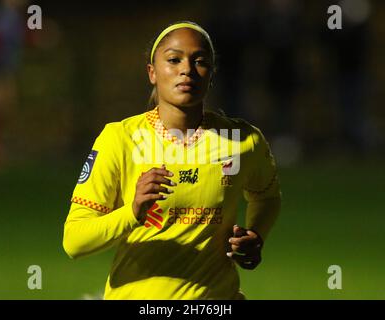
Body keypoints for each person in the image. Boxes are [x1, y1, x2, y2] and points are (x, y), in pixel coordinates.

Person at [63, 21, 281, 300]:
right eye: (174, 60)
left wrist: (255, 236)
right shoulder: (119, 138)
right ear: (152, 73)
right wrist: (132, 212)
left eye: (200, 61)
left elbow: (267, 196)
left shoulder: (241, 140)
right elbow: (74, 241)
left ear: (211, 75)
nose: (187, 69)